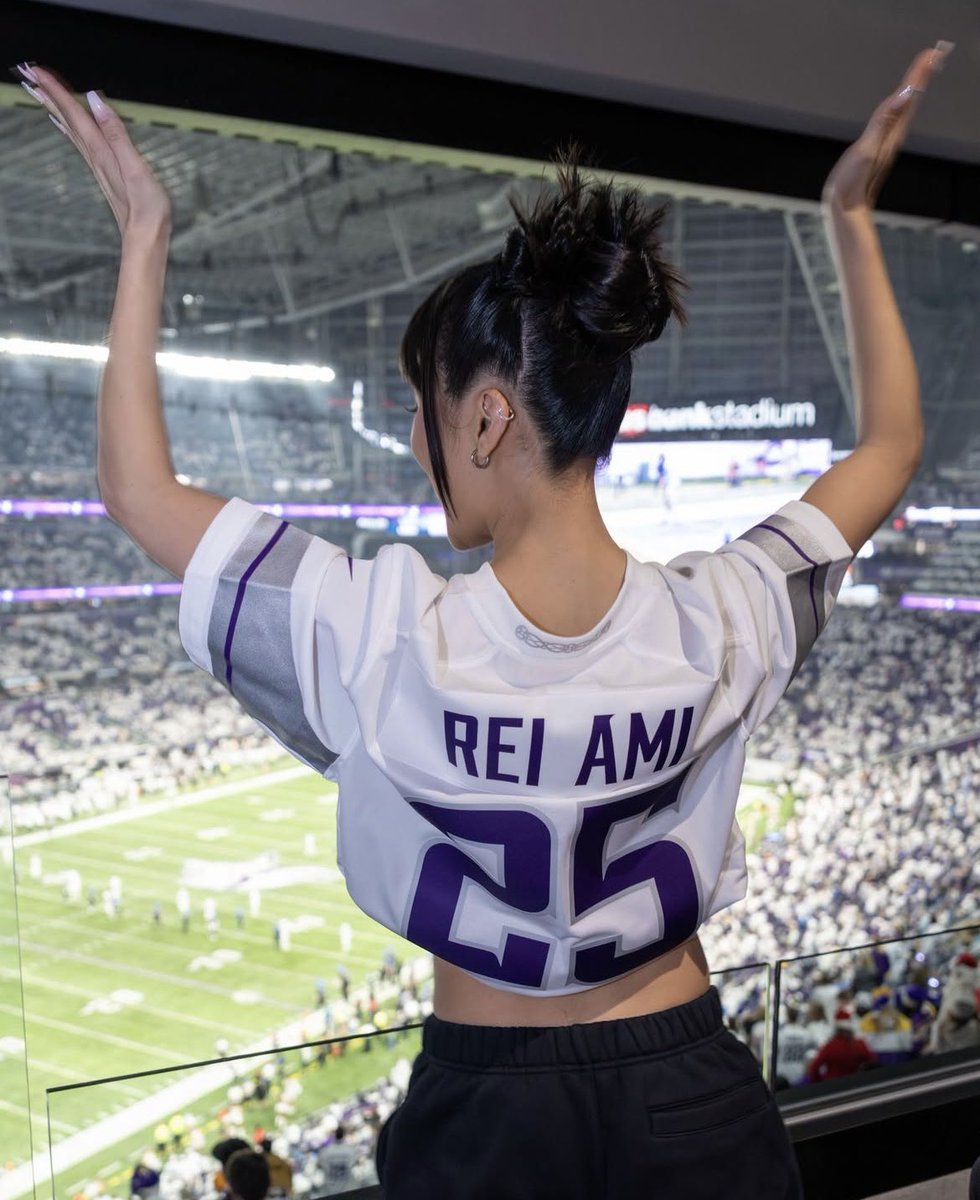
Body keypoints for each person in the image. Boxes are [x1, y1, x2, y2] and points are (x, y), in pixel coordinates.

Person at [16, 41, 948, 1199]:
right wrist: (848, 216)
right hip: (690, 1083)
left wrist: (144, 237)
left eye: (426, 409)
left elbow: (136, 490)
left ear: (489, 419)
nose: (417, 441)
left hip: (489, 1108)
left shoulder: (377, 630)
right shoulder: (726, 616)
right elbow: (891, 448)